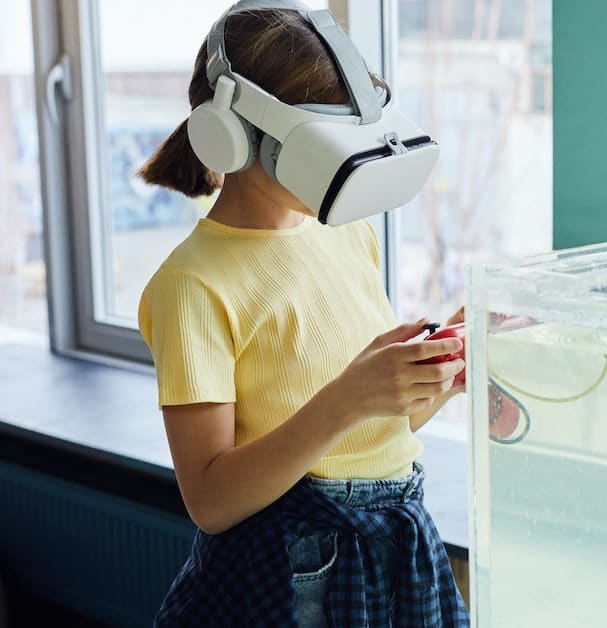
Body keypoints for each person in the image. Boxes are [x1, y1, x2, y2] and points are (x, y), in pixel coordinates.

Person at [136, 4, 469, 626]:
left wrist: (440, 373)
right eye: (328, 139)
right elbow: (211, 501)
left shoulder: (346, 234)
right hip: (293, 569)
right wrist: (349, 397)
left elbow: (364, 434)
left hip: (397, 545)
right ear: (229, 134)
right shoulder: (193, 285)